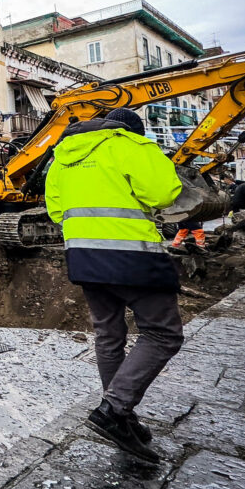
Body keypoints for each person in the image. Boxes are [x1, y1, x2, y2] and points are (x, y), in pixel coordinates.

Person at [46, 106, 183, 464]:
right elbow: (165, 193)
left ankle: (121, 413)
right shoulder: (133, 146)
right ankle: (113, 410)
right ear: (131, 130)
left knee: (109, 335)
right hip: (133, 256)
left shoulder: (62, 157)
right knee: (163, 334)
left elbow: (56, 211)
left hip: (83, 256)